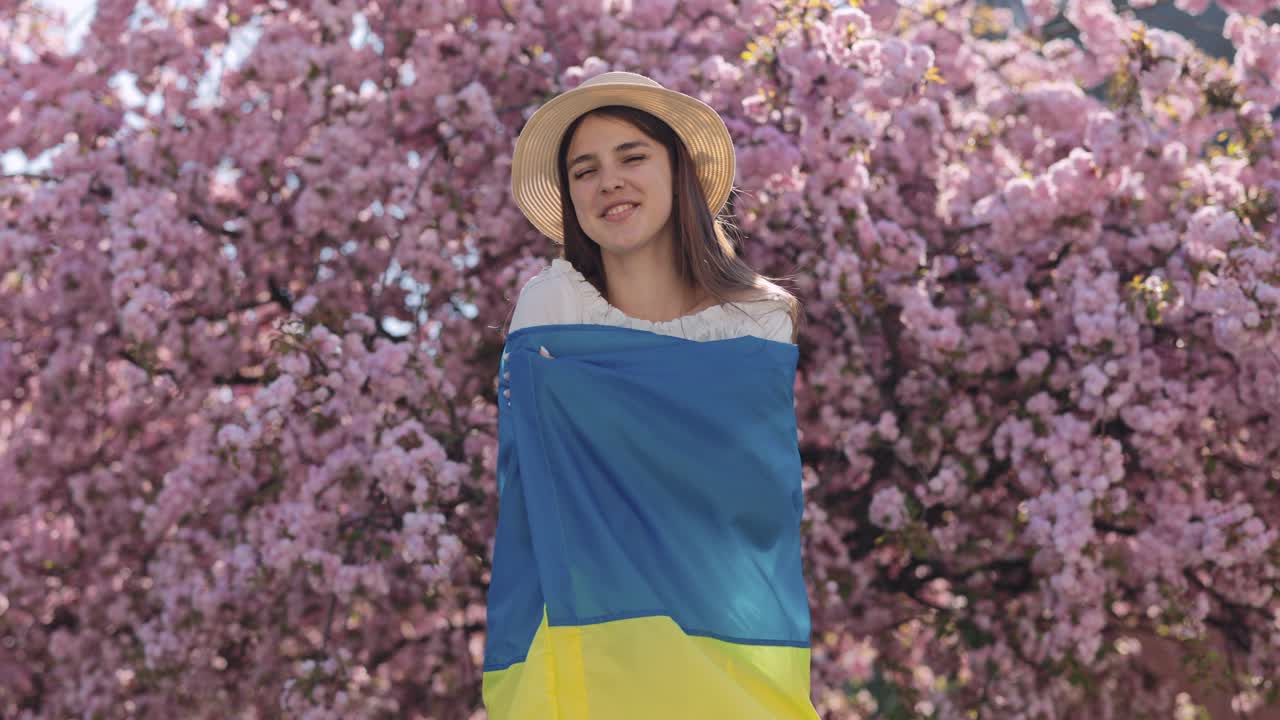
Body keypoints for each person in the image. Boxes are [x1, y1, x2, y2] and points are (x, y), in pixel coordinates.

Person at [484, 71, 817, 719]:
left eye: (632, 156)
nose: (608, 180)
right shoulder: (551, 309)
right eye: (585, 170)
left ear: (677, 171)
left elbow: (754, 505)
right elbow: (537, 485)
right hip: (588, 643)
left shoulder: (757, 321)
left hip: (729, 647)